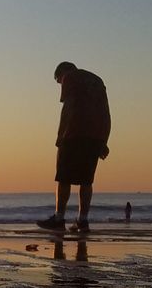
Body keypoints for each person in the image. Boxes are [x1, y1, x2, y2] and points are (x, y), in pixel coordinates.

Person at [36, 61, 111, 233]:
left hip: (74, 133)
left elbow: (69, 108)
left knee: (63, 178)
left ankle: (59, 218)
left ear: (62, 73)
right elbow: (105, 112)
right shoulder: (97, 81)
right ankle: (83, 221)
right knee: (86, 180)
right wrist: (104, 140)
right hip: (95, 136)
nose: (60, 85)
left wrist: (60, 137)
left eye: (58, 82)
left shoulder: (70, 77)